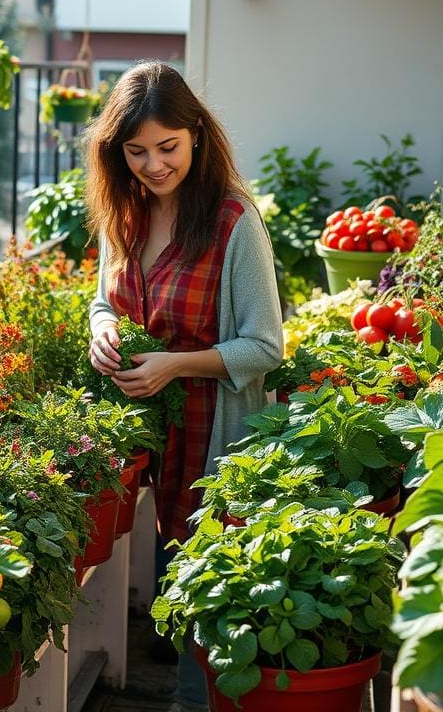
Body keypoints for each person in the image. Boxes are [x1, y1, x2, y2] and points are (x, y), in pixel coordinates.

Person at [86, 61, 283, 712]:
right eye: (136, 151)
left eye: (167, 147)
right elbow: (102, 301)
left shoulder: (232, 222)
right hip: (142, 436)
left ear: (196, 133)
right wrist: (102, 329)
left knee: (206, 594)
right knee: (177, 585)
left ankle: (192, 702)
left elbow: (265, 346)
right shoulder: (127, 211)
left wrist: (173, 363)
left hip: (211, 444)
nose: (153, 165)